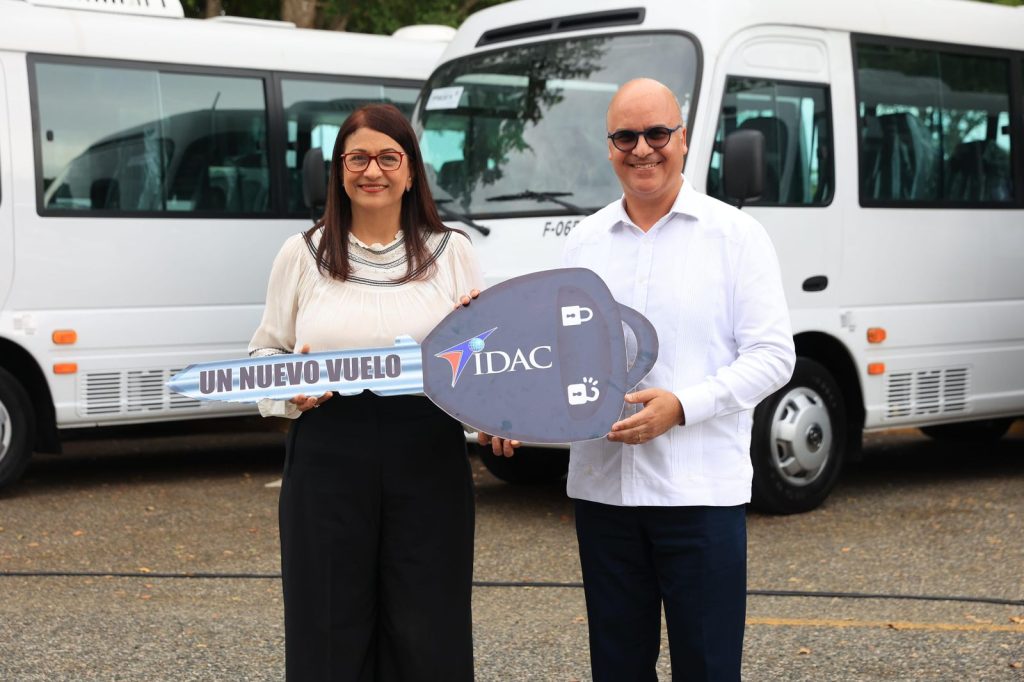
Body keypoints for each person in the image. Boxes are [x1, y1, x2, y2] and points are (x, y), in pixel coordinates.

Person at [481, 78, 796, 680]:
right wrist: (505, 412)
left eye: (657, 134)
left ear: (683, 139)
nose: (642, 149)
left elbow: (772, 356)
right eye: (626, 136)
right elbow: (554, 353)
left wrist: (682, 406)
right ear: (609, 147)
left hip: (697, 495)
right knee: (617, 669)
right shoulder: (584, 241)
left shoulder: (735, 236)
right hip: (605, 496)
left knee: (707, 667)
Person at [249, 103, 483, 681]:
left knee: (429, 620)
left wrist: (497, 415)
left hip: (428, 453)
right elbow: (264, 351)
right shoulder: (300, 254)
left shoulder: (452, 252)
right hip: (329, 453)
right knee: (328, 620)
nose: (371, 171)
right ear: (339, 170)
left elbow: (483, 356)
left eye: (387, 157)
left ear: (410, 171)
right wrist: (288, 391)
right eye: (357, 157)